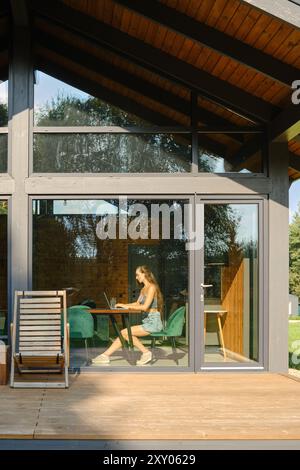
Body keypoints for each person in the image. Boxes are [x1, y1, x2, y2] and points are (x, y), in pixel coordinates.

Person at [92, 265, 163, 366]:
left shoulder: (152, 287)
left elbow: (144, 307)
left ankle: (146, 353)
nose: (136, 277)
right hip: (147, 321)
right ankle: (105, 356)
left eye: (137, 275)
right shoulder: (143, 289)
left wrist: (126, 307)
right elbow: (138, 304)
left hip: (153, 322)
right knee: (124, 333)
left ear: (144, 274)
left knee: (124, 332)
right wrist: (123, 305)